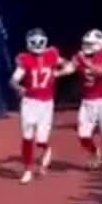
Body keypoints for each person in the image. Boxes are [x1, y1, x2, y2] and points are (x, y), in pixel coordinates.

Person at [10, 28, 66, 184]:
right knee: (27, 137)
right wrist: (18, 87)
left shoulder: (52, 54)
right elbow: (14, 79)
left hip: (46, 103)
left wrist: (59, 73)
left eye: (40, 41)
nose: (37, 44)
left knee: (41, 139)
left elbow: (67, 65)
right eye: (34, 42)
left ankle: (46, 149)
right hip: (29, 102)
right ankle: (27, 169)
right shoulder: (25, 59)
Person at [69, 29, 102, 175]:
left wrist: (85, 62)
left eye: (89, 44)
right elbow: (69, 68)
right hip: (87, 101)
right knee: (83, 136)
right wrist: (54, 73)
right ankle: (94, 152)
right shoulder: (79, 57)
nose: (85, 46)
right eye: (85, 43)